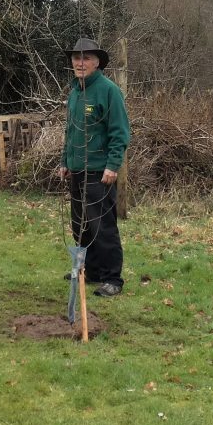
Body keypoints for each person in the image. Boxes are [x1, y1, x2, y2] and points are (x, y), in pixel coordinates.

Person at [56, 37, 130, 296]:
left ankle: (113, 279)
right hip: (77, 170)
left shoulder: (108, 90)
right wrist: (65, 160)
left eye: (86, 58)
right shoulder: (76, 90)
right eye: (76, 58)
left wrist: (113, 165)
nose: (80, 62)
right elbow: (70, 131)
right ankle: (91, 270)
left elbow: (119, 132)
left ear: (97, 62)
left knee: (102, 226)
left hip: (100, 172)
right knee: (81, 224)